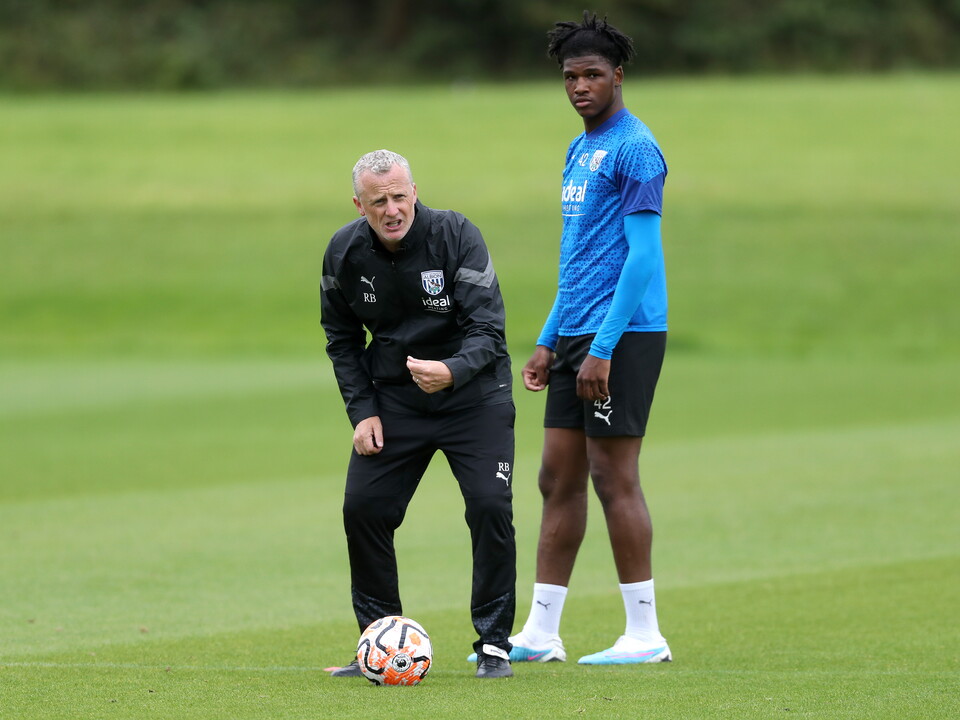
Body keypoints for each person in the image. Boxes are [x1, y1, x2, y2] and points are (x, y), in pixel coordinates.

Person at [480, 12, 673, 666]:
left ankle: (644, 635)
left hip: (624, 334)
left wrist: (603, 347)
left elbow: (641, 258)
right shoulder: (578, 148)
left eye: (593, 74)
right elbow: (580, 255)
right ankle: (541, 631)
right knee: (555, 475)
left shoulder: (636, 148)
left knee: (611, 474)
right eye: (571, 76)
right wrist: (547, 339)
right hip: (576, 335)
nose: (581, 86)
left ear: (618, 76)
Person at [320, 149, 517, 679]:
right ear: (358, 203)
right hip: (395, 399)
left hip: (474, 395)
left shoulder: (456, 236)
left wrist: (453, 370)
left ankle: (494, 644)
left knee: (489, 504)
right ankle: (379, 643)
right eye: (378, 201)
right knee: (363, 507)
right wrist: (362, 413)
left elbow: (488, 329)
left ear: (414, 191)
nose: (392, 210)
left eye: (400, 196)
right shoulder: (343, 251)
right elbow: (341, 339)